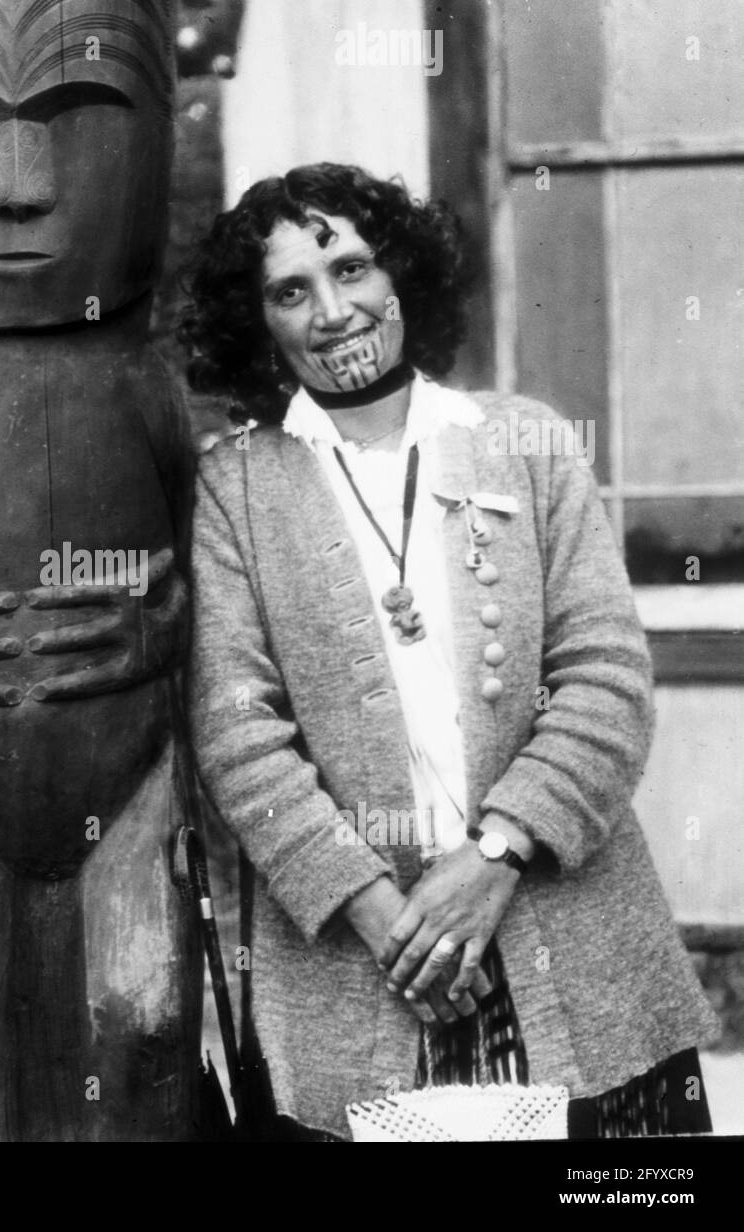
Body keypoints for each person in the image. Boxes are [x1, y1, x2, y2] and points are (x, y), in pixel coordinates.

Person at [180, 163, 719, 1140]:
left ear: (404, 278)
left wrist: (496, 855)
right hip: (360, 966)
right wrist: (379, 911)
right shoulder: (233, 490)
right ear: (254, 320)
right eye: (290, 291)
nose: (333, 310)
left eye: (352, 269)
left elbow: (606, 677)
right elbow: (234, 732)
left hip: (572, 930)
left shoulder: (524, 440)